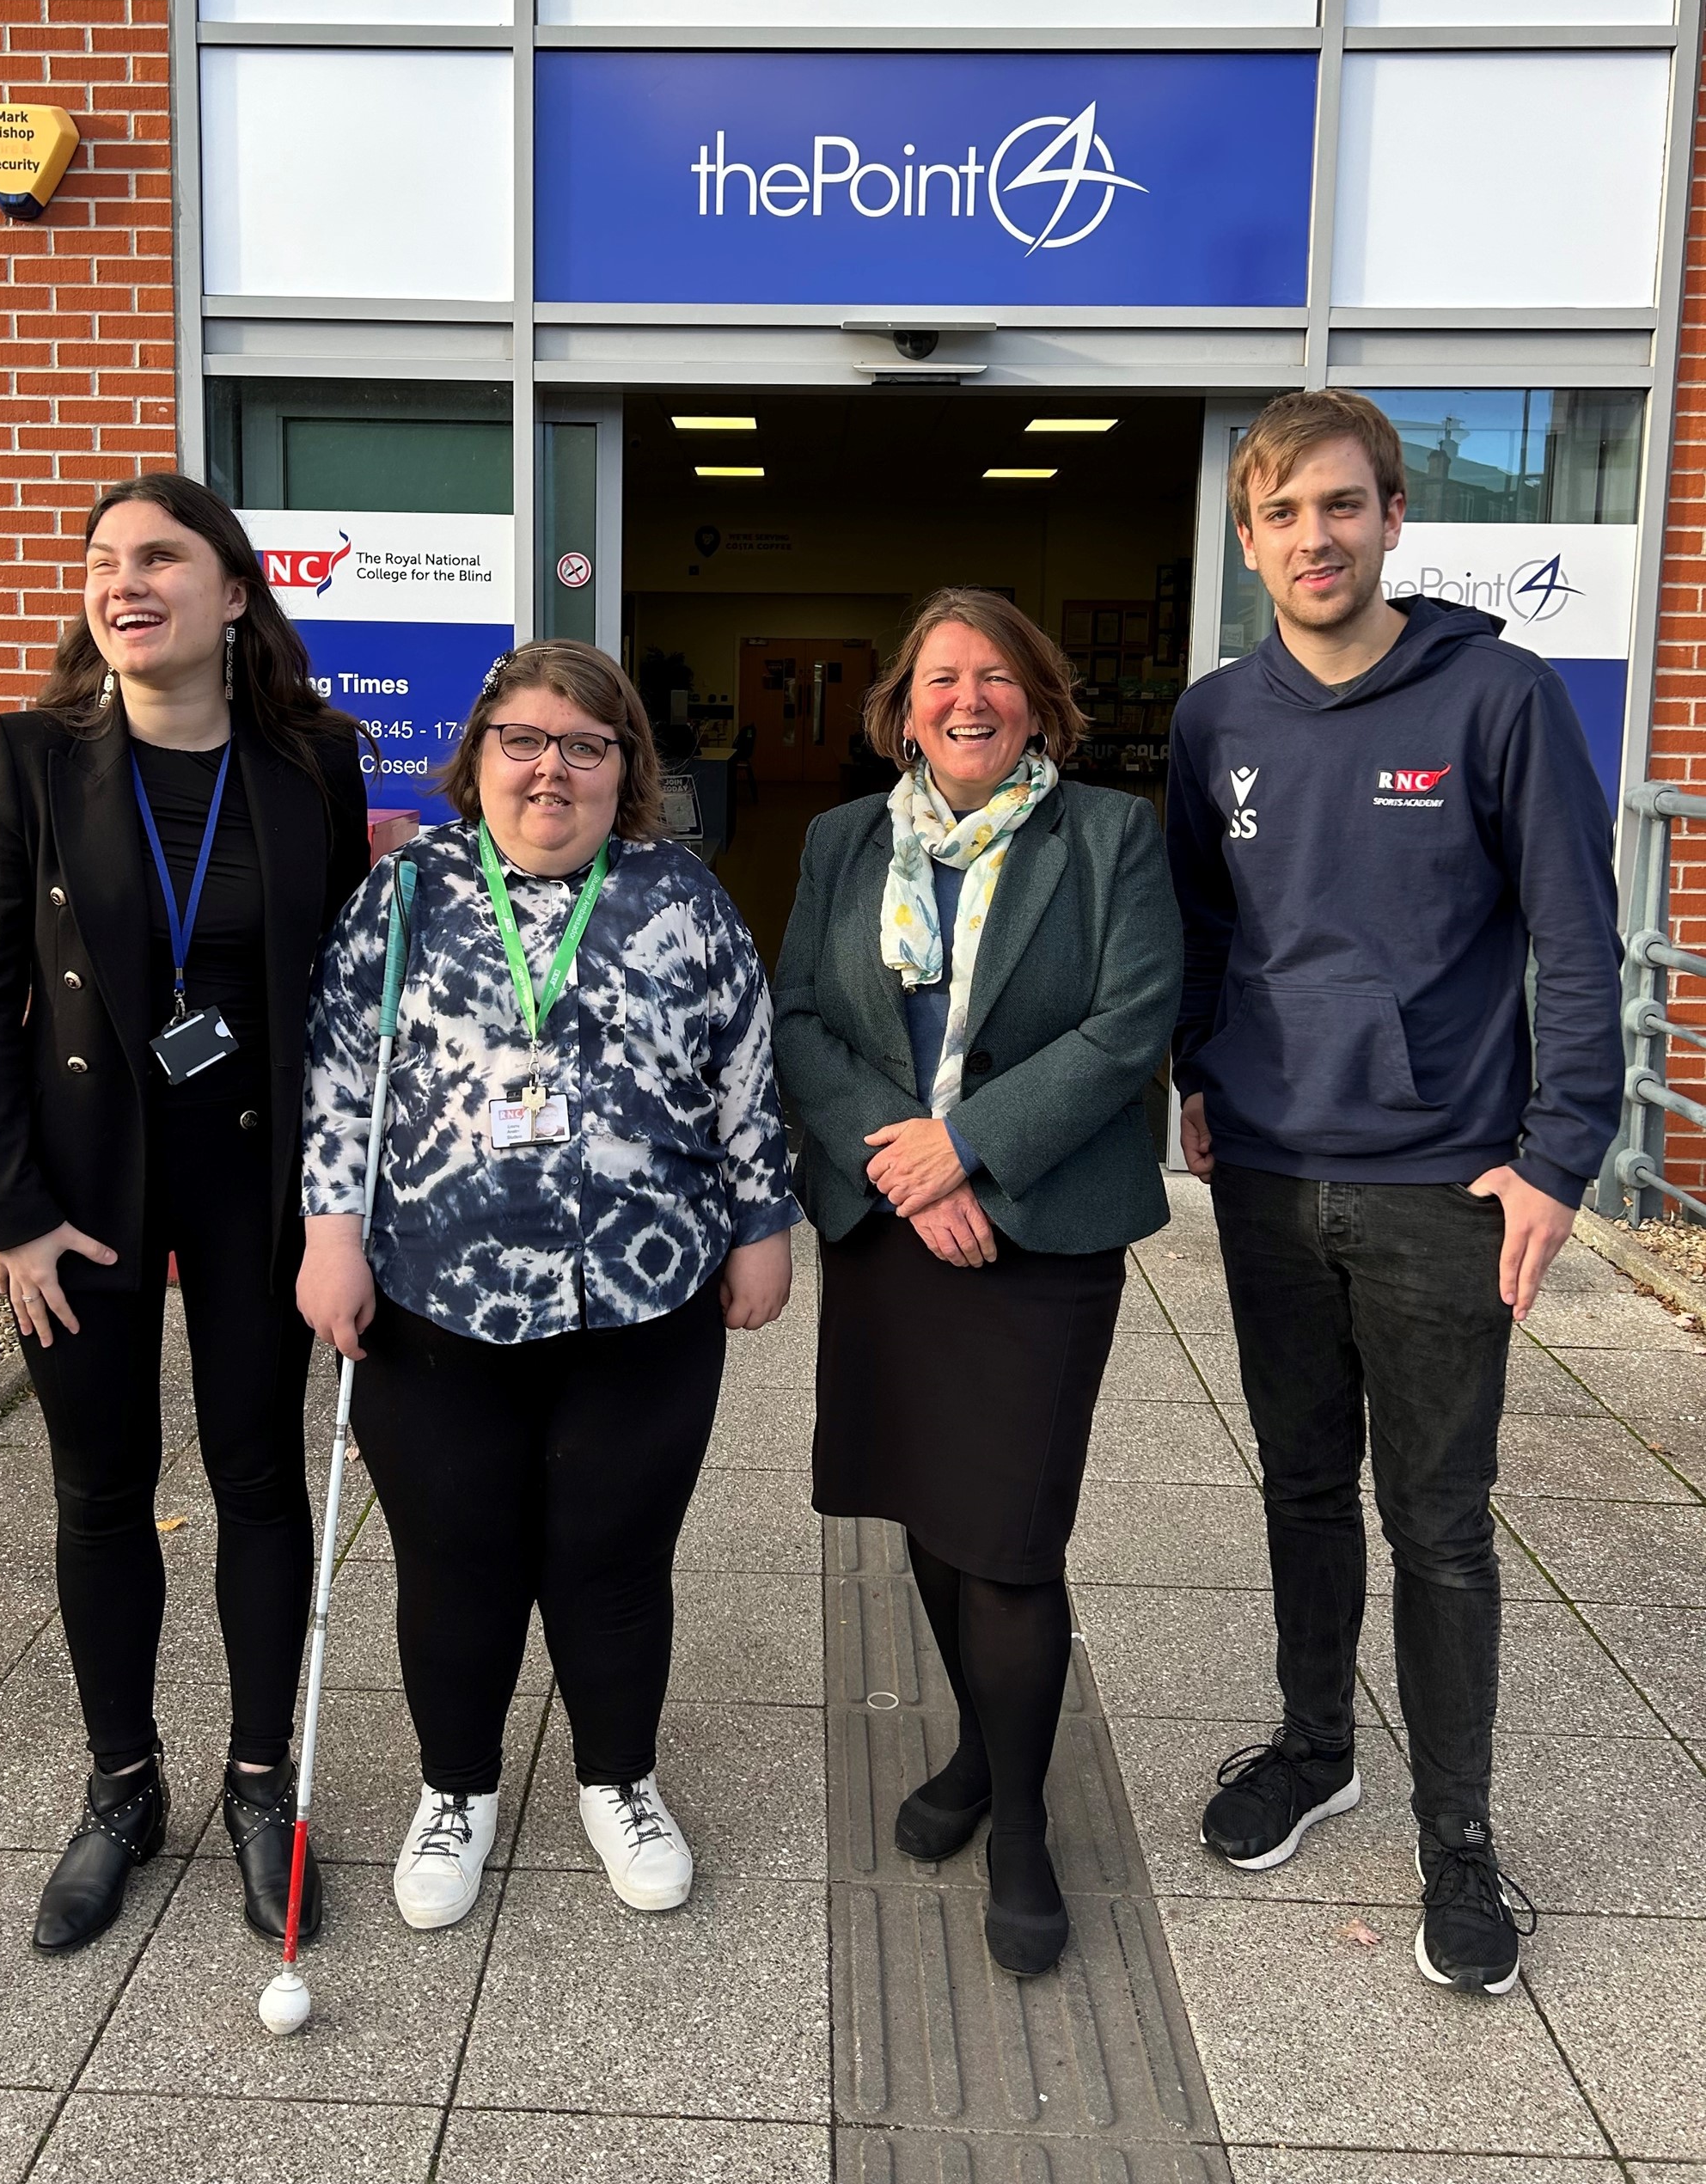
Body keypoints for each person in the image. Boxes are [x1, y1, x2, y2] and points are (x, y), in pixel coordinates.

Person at [1166, 388, 1625, 1996]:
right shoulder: (1216, 721)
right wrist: (1200, 1076)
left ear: (1393, 520)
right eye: (1286, 515)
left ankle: (1459, 1838)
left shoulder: (1499, 699)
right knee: (1300, 1487)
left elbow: (1577, 934)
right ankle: (1313, 1746)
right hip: (1276, 1183)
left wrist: (1560, 1155)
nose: (1318, 539)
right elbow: (1207, 928)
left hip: (1447, 1188)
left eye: (1345, 507)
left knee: (1438, 1524)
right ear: (1249, 539)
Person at [297, 639, 798, 1931]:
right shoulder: (407, 893)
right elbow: (343, 1077)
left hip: (646, 1299)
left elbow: (746, 1067)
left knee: (615, 1558)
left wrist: (764, 1225)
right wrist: (330, 1232)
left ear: (624, 768)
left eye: (586, 745)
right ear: (479, 757)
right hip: (434, 1294)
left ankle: (617, 1779)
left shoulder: (681, 896)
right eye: (523, 740)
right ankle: (455, 1791)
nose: (551, 769)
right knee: (454, 1558)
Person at [0, 474, 370, 1954]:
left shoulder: (315, 756)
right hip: (83, 1198)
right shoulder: (30, 761)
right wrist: (11, 1214)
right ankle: (121, 1789)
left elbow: (338, 996)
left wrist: (341, 1211)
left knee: (258, 1480)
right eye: (104, 563)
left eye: (163, 559)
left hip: (255, 1180)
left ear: (235, 594)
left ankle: (265, 1786)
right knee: (98, 1491)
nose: (126, 583)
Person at [773, 589, 1182, 1977]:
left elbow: (1132, 1026)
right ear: (902, 704)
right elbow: (803, 1020)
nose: (969, 698)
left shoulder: (1112, 835)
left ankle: (1019, 1821)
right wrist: (907, 1171)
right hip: (892, 1230)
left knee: (1008, 1537)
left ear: (1040, 703)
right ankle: (976, 1751)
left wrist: (970, 1154)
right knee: (932, 1522)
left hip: (1042, 1229)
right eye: (943, 676)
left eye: (998, 676)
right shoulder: (841, 842)